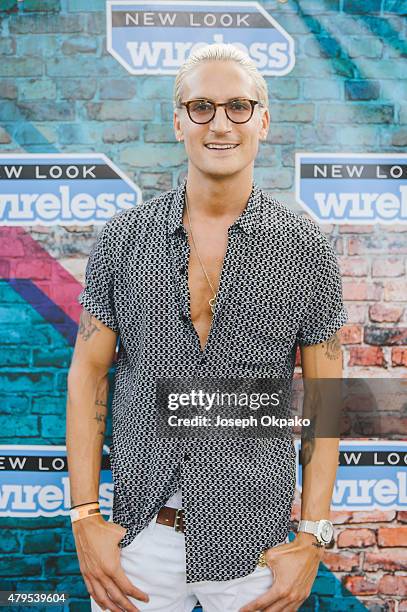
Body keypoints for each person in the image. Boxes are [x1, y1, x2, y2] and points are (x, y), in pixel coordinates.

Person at [66, 43, 347, 612]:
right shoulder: (124, 239)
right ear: (178, 122)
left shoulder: (307, 247)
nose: (220, 124)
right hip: (140, 539)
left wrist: (313, 537)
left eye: (238, 106)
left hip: (255, 544)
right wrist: (84, 516)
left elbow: (327, 397)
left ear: (263, 121)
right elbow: (88, 374)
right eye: (201, 107)